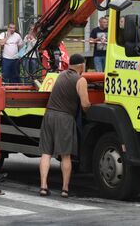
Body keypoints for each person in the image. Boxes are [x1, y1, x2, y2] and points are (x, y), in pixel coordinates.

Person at [39, 53, 90, 198]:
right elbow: (85, 104)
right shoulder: (81, 80)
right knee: (65, 155)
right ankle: (65, 189)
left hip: (49, 115)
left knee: (46, 153)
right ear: (81, 66)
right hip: (64, 118)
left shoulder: (60, 76)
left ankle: (43, 186)